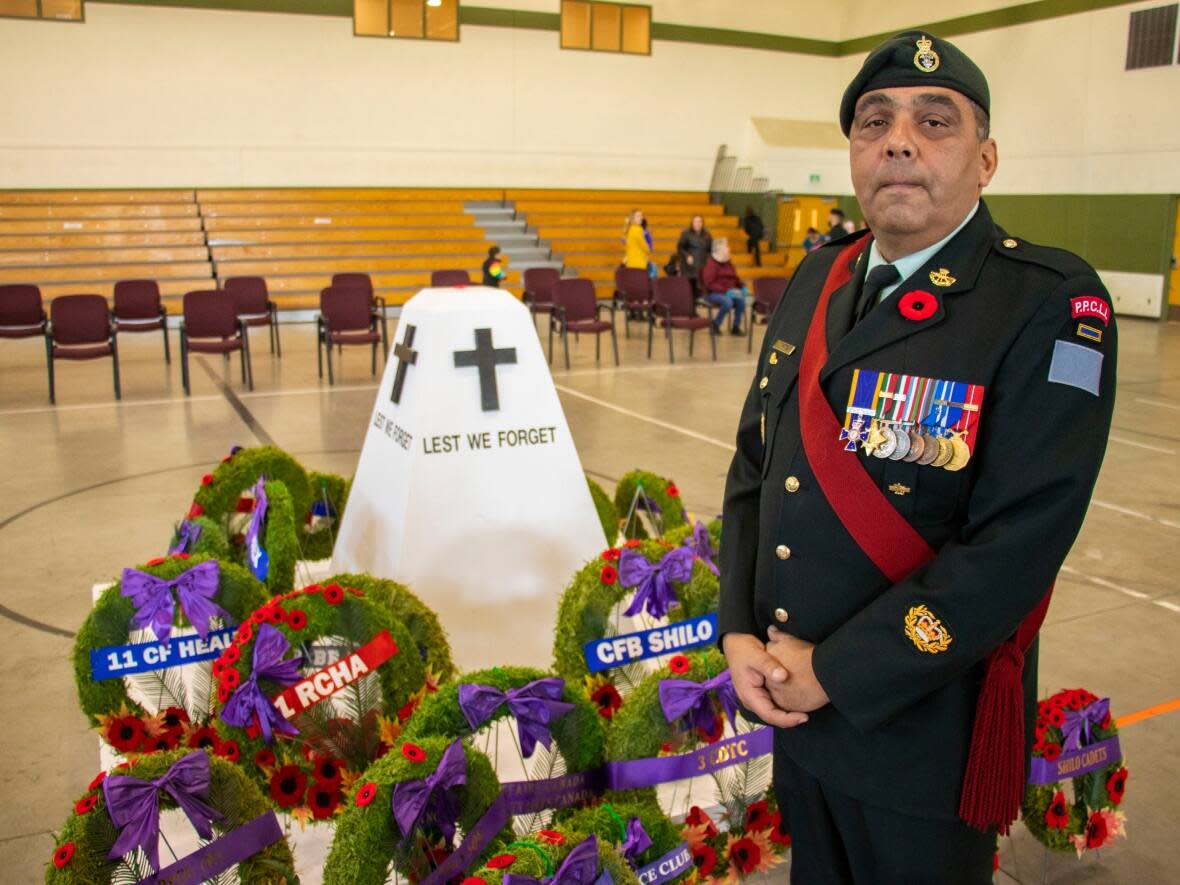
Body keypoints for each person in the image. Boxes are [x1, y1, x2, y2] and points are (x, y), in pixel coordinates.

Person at [719, 31, 1116, 885]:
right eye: (874, 123)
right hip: (794, 709)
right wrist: (739, 628)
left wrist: (833, 670)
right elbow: (757, 467)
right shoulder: (817, 277)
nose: (898, 139)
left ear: (986, 157)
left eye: (934, 121)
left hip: (922, 730)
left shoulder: (1048, 302)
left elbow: (1017, 545)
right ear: (855, 154)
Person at [700, 238, 747, 335]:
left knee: (741, 302)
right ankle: (715, 325)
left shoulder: (728, 263)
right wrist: (726, 291)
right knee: (727, 301)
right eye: (726, 246)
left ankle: (735, 327)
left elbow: (735, 278)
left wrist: (742, 286)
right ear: (719, 249)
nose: (728, 248)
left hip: (728, 292)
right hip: (712, 293)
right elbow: (709, 283)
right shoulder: (711, 264)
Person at [677, 214, 713, 291]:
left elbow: (710, 249)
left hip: (703, 265)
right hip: (689, 267)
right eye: (695, 221)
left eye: (699, 221)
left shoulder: (707, 234)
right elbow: (680, 248)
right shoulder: (686, 233)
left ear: (702, 223)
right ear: (692, 223)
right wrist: (687, 256)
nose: (698, 223)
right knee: (689, 288)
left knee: (701, 288)